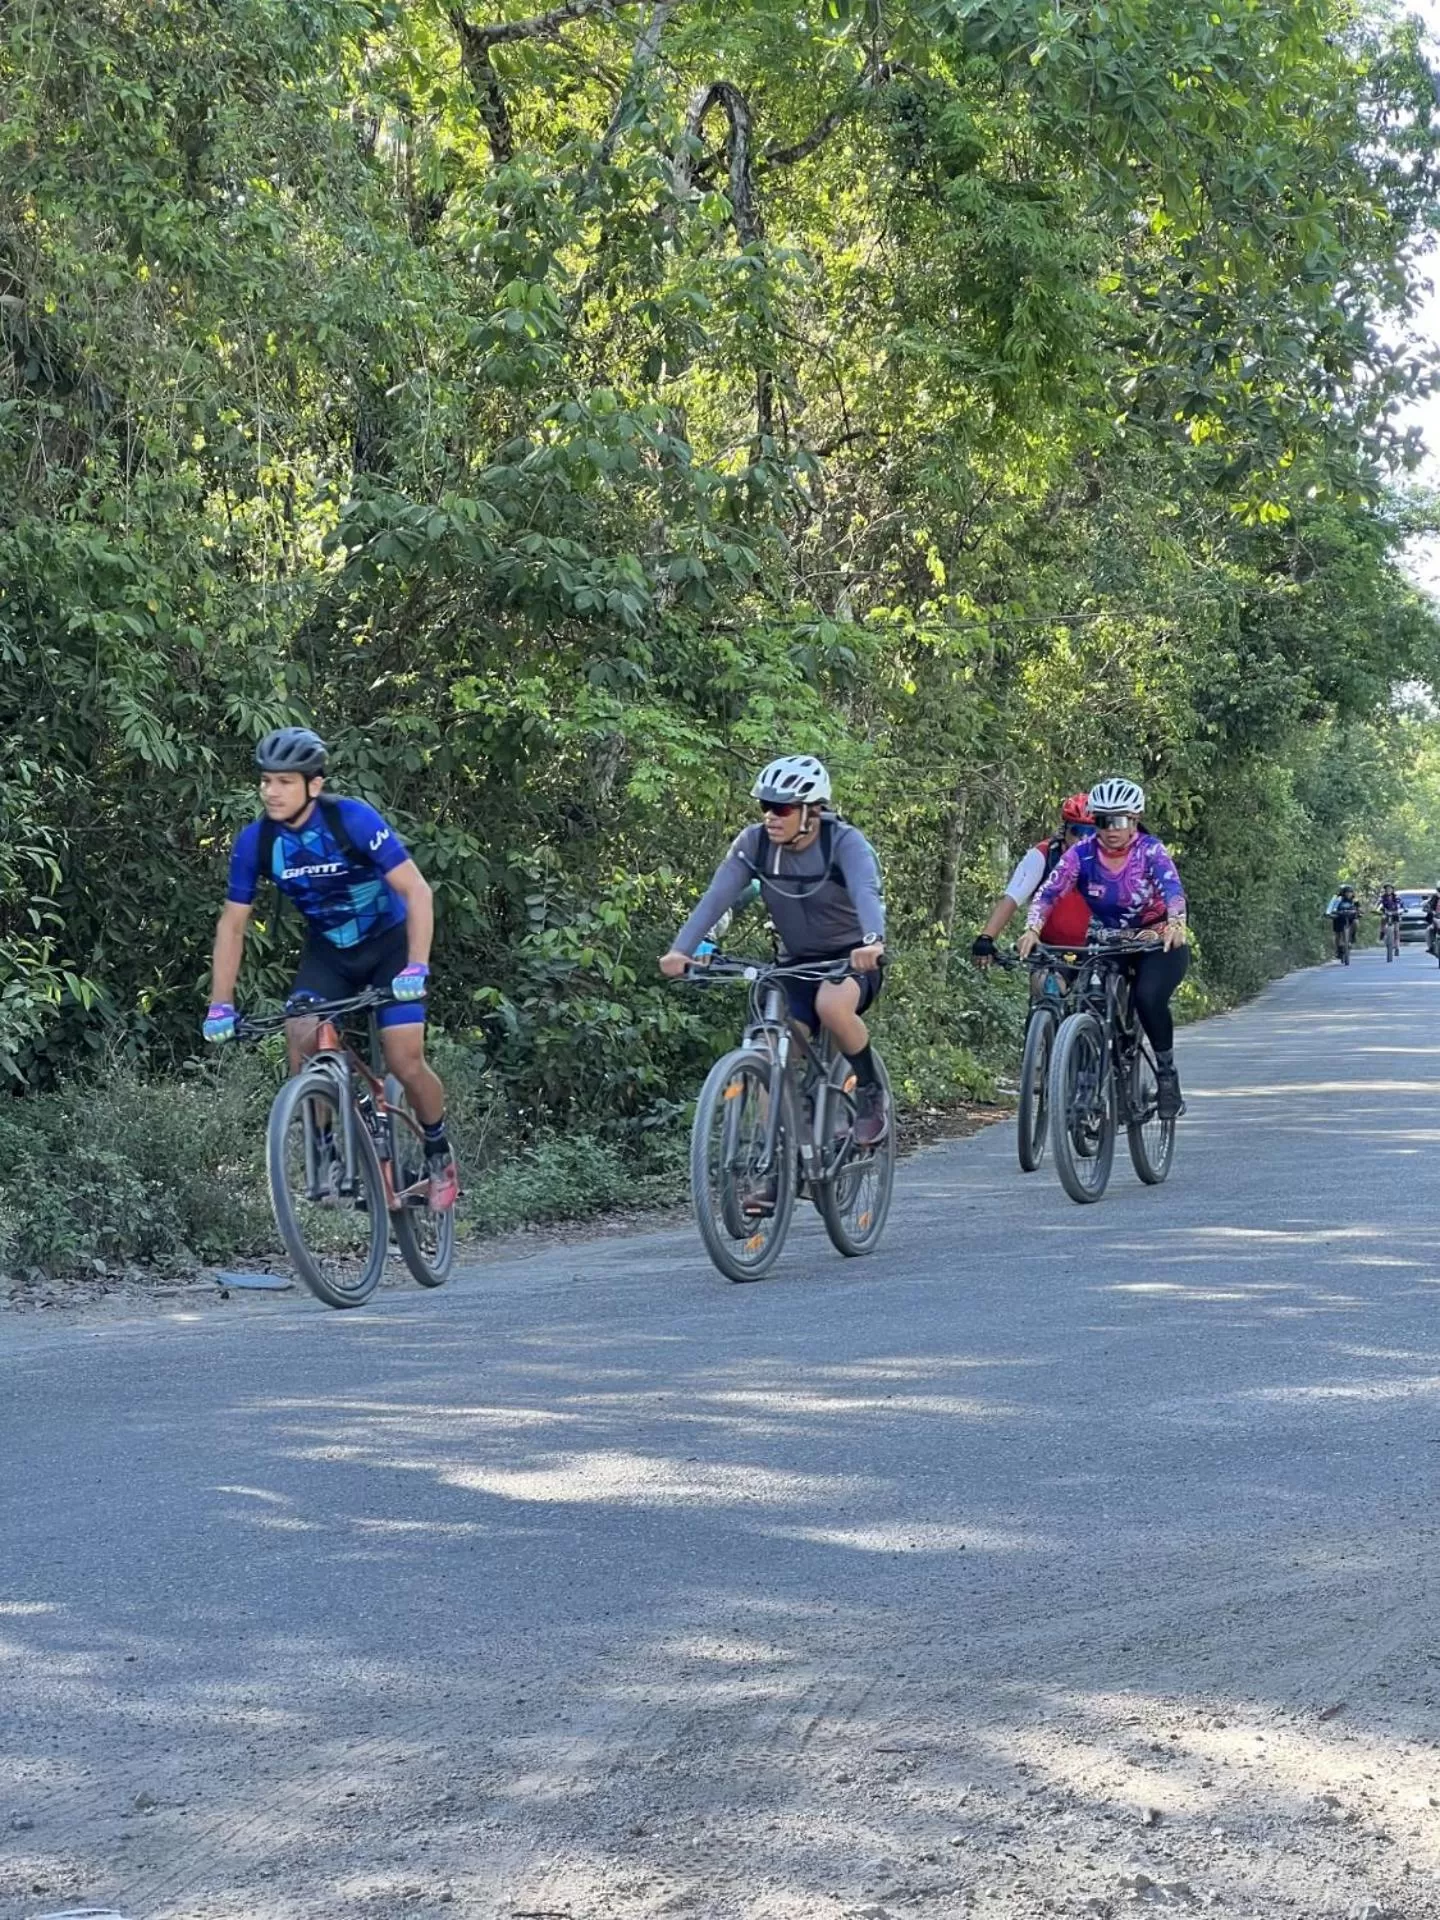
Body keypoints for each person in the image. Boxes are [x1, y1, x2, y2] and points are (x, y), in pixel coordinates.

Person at [203, 727, 458, 1209]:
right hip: (330, 953)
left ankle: (437, 1148)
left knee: (404, 1058)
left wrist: (417, 967)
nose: (270, 791)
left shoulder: (352, 820)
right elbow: (233, 926)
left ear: (313, 785)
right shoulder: (257, 842)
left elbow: (417, 891)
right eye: (265, 781)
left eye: (283, 781)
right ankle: (328, 1153)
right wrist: (220, 1004)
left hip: (389, 947)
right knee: (302, 1031)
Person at [659, 754, 889, 1150]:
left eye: (781, 808)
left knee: (832, 1007)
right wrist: (682, 950)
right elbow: (717, 898)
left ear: (813, 811)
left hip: (849, 958)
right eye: (765, 806)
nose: (771, 816)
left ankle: (870, 1092)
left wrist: (872, 942)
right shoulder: (754, 844)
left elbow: (867, 893)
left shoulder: (844, 843)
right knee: (769, 1052)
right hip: (794, 964)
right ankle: (775, 1164)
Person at [1017, 776, 1189, 1119]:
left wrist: (1176, 923)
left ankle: (1167, 1074)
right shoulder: (1081, 854)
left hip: (1155, 941)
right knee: (1088, 997)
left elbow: (1172, 889)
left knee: (1146, 997)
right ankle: (1086, 1073)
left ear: (1134, 821)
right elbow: (1049, 892)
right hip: (1106, 940)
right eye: (1103, 821)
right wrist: (1032, 928)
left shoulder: (1150, 850)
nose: (1111, 830)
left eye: (1120, 821)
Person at [972, 794, 1095, 969]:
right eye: (1077, 831)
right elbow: (1012, 897)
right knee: (1044, 986)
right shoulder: (1044, 855)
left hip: (1099, 949)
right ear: (1065, 830)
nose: (1083, 839)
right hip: (1049, 948)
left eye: (1091, 832)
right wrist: (986, 937)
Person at [1325, 884, 1359, 962]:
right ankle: (1338, 949)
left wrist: (1359, 912)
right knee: (1337, 934)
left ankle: (1352, 936)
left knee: (1356, 922)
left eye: (1350, 892)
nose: (1348, 894)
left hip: (1350, 916)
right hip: (1338, 916)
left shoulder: (1354, 899)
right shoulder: (1337, 898)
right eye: (1346, 892)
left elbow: (1358, 907)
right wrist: (1328, 913)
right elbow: (1331, 906)